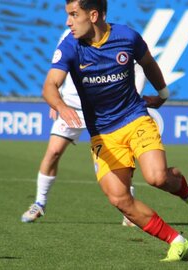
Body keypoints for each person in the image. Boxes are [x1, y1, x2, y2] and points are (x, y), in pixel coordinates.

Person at [41, 0, 188, 262]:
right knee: (119, 199)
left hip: (135, 119)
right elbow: (50, 85)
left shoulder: (126, 36)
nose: (68, 22)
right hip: (102, 134)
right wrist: (60, 105)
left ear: (94, 15)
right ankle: (176, 240)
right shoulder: (70, 45)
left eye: (73, 15)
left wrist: (163, 94)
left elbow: (148, 63)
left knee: (156, 177)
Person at [21, 29, 137, 228]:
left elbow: (132, 69)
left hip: (103, 109)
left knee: (118, 160)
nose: (71, 20)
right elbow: (57, 70)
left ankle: (130, 208)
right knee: (53, 152)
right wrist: (55, 103)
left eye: (75, 14)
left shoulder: (112, 37)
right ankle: (39, 203)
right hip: (71, 107)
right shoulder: (68, 36)